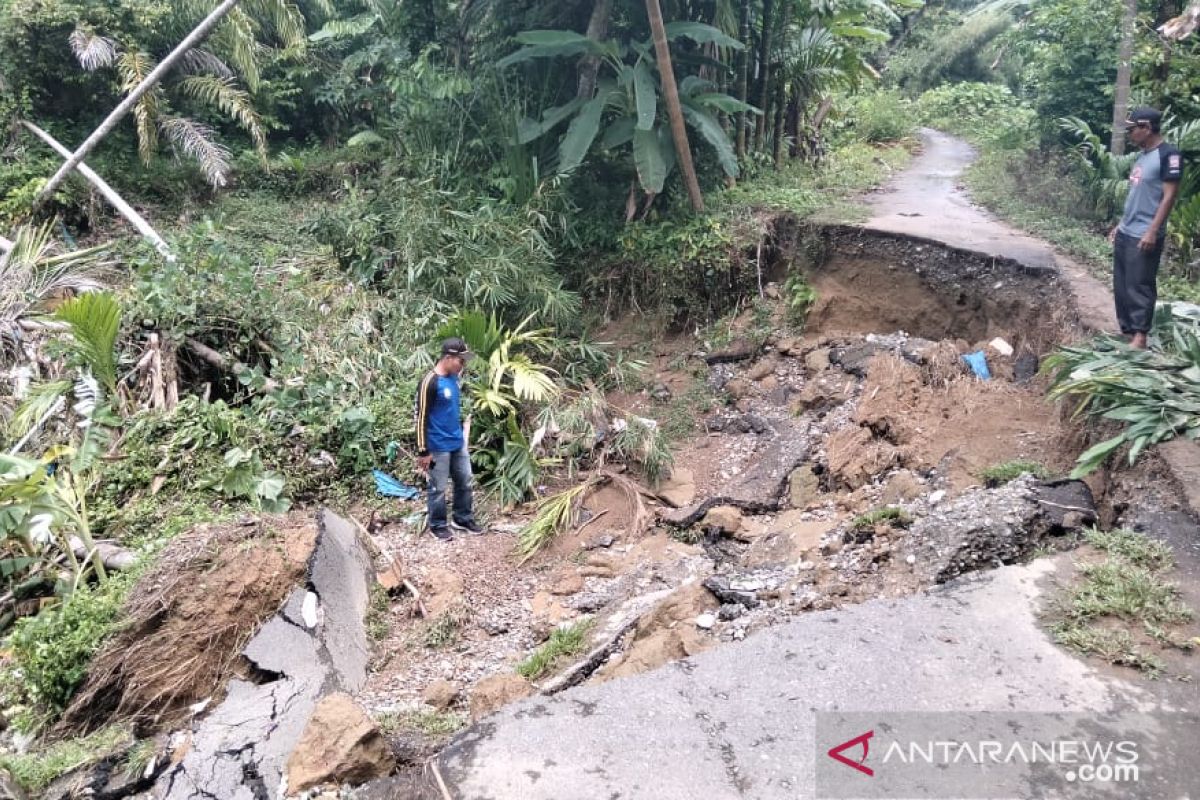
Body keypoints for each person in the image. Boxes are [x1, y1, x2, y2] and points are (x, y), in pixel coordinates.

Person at [1109, 106, 1184, 349]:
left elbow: (1169, 196)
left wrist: (1153, 230)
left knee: (1140, 284)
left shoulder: (1168, 155)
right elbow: (1136, 195)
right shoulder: (1142, 156)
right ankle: (1127, 331)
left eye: (1133, 129)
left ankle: (1140, 336)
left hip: (1144, 233)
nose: (1130, 134)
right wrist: (1119, 225)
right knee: (1122, 284)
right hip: (1127, 231)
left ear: (1147, 128)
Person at [414, 337, 483, 541]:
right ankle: (437, 524)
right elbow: (421, 418)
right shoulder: (430, 382)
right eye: (461, 360)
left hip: (456, 441)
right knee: (438, 488)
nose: (463, 364)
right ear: (448, 358)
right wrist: (423, 451)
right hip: (437, 445)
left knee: (465, 481)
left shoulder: (454, 378)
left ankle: (462, 518)